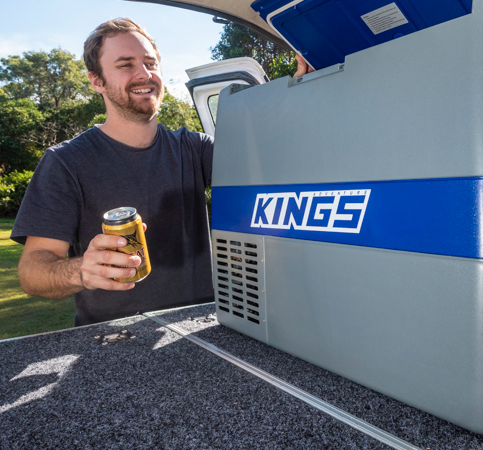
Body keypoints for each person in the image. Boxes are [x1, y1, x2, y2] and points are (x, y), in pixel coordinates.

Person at [12, 17, 314, 326]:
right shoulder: (65, 162)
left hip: (204, 328)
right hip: (113, 343)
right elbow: (33, 272)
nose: (144, 74)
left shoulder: (195, 148)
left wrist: (307, 95)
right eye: (126, 65)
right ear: (96, 81)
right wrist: (81, 271)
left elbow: (277, 164)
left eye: (150, 63)